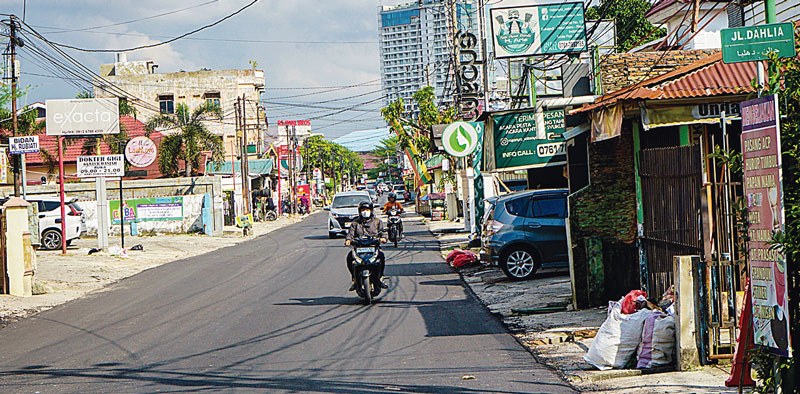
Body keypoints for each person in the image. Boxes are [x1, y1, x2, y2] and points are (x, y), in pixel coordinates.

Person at [345, 201, 388, 291]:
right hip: (359, 247)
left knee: (381, 256)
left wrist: (383, 238)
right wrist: (348, 240)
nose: (365, 212)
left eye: (367, 210)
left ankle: (380, 278)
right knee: (349, 257)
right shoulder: (355, 223)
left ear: (371, 210)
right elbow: (350, 234)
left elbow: (383, 232)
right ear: (359, 211)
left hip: (373, 247)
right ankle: (355, 279)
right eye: (363, 210)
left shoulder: (377, 222)